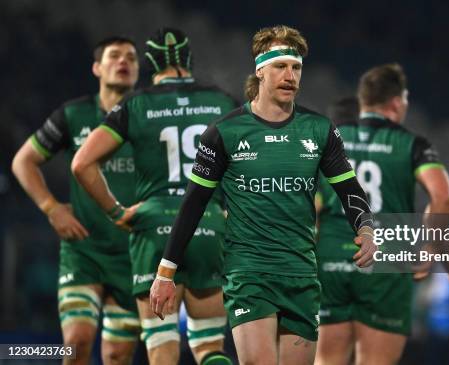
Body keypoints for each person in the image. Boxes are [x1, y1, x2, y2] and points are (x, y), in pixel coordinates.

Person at [148, 25, 377, 365]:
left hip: (301, 274)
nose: (290, 76)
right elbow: (194, 204)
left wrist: (367, 229)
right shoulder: (224, 132)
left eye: (296, 67)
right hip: (248, 273)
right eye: (280, 66)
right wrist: (166, 272)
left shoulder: (319, 130)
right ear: (260, 70)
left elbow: (349, 190)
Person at [71, 28, 237, 365]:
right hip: (209, 228)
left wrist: (117, 212)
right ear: (189, 59)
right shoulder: (222, 101)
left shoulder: (136, 104)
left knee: (162, 348)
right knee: (209, 346)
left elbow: (82, 163)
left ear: (150, 63)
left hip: (154, 230)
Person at [314, 64, 449, 365]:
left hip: (332, 258)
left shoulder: (329, 139)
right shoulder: (412, 145)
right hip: (386, 260)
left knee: (327, 360)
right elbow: (443, 198)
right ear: (395, 102)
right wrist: (430, 248)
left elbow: (307, 202)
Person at [11, 36, 140, 365]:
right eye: (114, 56)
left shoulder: (149, 116)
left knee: (116, 356)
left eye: (131, 57)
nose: (124, 61)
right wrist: (51, 208)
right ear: (97, 68)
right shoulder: (73, 114)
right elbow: (22, 161)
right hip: (84, 251)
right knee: (76, 344)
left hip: (134, 255)